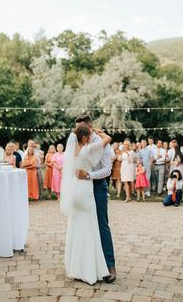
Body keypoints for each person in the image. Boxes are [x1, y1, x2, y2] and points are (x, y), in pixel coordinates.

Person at [61, 123, 111, 285]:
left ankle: (75, 266)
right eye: (89, 135)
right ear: (84, 137)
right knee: (91, 227)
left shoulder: (73, 151)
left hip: (75, 189)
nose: (91, 137)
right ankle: (89, 269)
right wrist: (101, 133)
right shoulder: (87, 149)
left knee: (76, 226)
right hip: (85, 191)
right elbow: (108, 139)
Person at [71, 114, 116, 283]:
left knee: (101, 224)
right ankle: (85, 265)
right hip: (82, 188)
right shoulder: (78, 142)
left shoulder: (103, 143)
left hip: (97, 186)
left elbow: (107, 170)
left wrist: (88, 175)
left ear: (90, 128)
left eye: (81, 129)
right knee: (83, 224)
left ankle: (110, 265)